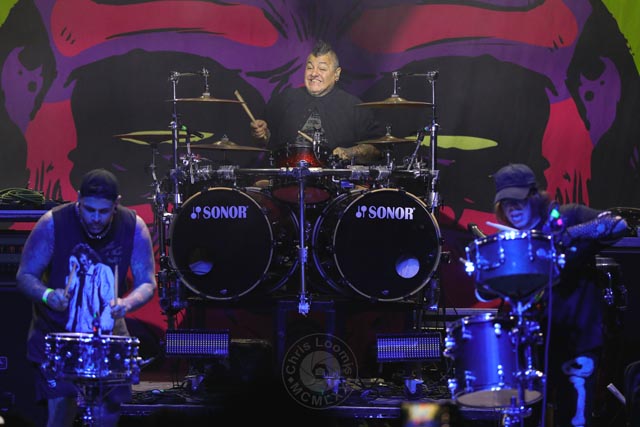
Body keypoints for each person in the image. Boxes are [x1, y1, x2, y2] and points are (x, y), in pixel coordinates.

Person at [489, 163, 628, 427]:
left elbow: (618, 224)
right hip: (534, 347)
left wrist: (570, 234)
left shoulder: (568, 216)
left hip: (578, 342)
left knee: (575, 418)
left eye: (518, 201)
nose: (512, 209)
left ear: (533, 195)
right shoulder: (513, 241)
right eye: (506, 203)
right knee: (526, 417)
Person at [16, 168, 157, 427]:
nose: (95, 218)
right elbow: (25, 275)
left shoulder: (133, 227)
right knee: (61, 410)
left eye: (103, 212)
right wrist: (48, 295)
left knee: (109, 413)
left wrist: (127, 303)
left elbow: (147, 282)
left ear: (116, 204)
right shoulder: (52, 223)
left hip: (108, 333)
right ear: (78, 198)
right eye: (89, 209)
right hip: (57, 332)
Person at [250, 39, 384, 166]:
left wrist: (350, 152)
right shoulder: (284, 99)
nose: (314, 73)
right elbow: (265, 142)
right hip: (286, 176)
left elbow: (377, 149)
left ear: (336, 74)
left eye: (322, 69)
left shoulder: (354, 107)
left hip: (334, 179)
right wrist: (262, 135)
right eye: (309, 67)